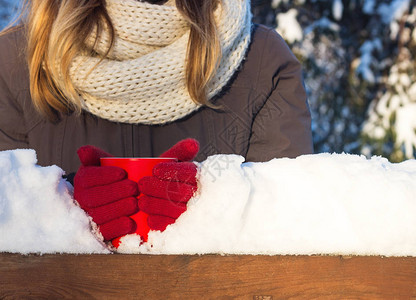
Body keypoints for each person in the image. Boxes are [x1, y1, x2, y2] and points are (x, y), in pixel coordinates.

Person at [0, 0, 313, 245]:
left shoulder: (261, 61)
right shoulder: (15, 62)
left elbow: (289, 226)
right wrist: (63, 210)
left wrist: (210, 204)